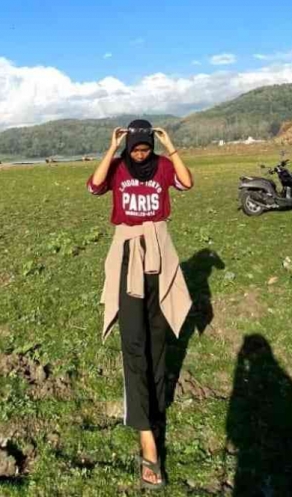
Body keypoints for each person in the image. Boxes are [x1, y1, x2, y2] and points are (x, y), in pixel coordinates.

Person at [88, 119, 194, 490]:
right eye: (135, 147)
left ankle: (156, 404)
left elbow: (187, 183)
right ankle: (146, 435)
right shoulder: (118, 167)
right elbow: (95, 186)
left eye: (145, 147)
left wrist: (170, 145)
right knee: (133, 341)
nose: (140, 153)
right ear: (127, 146)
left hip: (159, 254)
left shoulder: (163, 165)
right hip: (128, 257)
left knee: (158, 337)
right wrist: (111, 149)